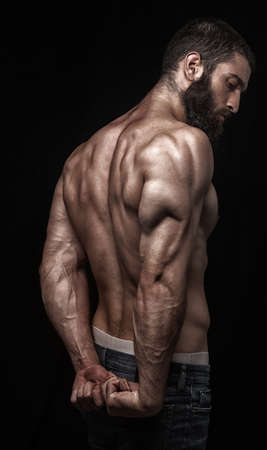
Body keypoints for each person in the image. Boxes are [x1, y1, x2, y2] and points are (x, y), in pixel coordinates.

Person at [39, 17, 255, 450]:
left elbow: (58, 266)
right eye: (231, 84)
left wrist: (85, 366)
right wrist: (152, 393)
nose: (234, 104)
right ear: (193, 66)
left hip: (101, 367)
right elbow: (159, 278)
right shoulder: (183, 144)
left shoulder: (84, 155)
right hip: (165, 371)